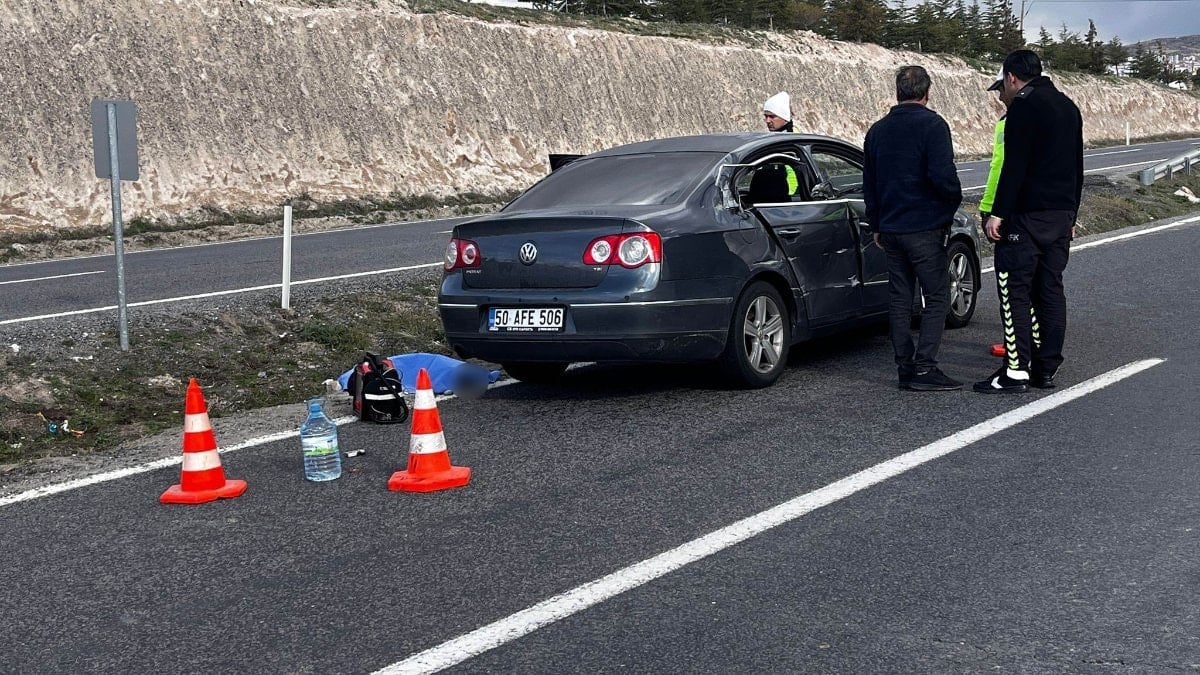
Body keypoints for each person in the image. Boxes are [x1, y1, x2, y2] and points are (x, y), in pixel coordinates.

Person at [974, 50, 1083, 394]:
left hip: (1027, 217)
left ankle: (1016, 370)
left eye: (1003, 86)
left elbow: (1014, 166)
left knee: (1014, 290)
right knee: (1050, 290)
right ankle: (1045, 368)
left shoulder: (1024, 107)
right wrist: (1072, 215)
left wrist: (999, 213)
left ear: (1011, 77)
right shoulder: (1068, 106)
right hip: (1060, 216)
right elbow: (1078, 168)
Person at [863, 65, 964, 391]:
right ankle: (925, 367)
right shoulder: (933, 125)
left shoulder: (877, 131)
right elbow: (943, 177)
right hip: (924, 226)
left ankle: (904, 366)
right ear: (927, 92)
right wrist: (951, 204)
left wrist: (877, 223)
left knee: (899, 298)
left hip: (891, 227)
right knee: (936, 295)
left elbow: (870, 184)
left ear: (898, 92)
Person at [981, 67, 1042, 360]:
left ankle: (1019, 343)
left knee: (1012, 282)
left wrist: (993, 208)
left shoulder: (1011, 123)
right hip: (1008, 204)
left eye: (1001, 91)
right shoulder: (1009, 122)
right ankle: (1028, 339)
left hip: (1004, 207)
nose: (1000, 97)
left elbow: (1005, 169)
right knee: (1023, 282)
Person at [762, 91, 800, 195]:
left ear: (784, 117)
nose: (767, 121)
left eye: (772, 116)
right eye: (766, 116)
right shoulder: (774, 137)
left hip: (791, 195)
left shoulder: (791, 138)